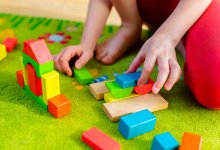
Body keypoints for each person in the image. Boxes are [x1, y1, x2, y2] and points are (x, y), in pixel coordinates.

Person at [54, 0, 220, 109]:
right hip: (147, 7)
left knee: (215, 88)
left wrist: (168, 35)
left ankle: (175, 37)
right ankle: (130, 25)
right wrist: (87, 43)